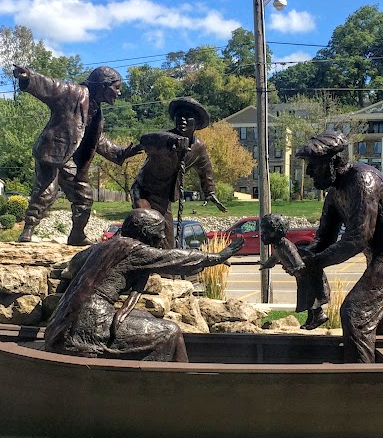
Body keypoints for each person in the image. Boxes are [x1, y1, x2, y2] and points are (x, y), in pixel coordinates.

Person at [45, 209, 244, 362]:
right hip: (87, 329)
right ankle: (164, 386)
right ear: (145, 233)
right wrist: (216, 257)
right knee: (169, 332)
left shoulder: (102, 247)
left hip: (62, 324)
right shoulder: (134, 249)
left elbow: (73, 264)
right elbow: (175, 258)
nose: (163, 238)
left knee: (146, 318)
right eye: (159, 233)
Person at [296, 131, 383, 363]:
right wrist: (304, 256)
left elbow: (356, 239)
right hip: (378, 252)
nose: (309, 172)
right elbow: (323, 238)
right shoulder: (334, 193)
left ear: (333, 162)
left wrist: (317, 261)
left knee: (355, 313)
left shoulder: (363, 179)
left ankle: (362, 384)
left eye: (313, 165)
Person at [14, 64, 141, 246]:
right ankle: (28, 230)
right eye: (117, 88)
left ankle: (77, 235)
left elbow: (98, 140)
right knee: (46, 192)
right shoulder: (74, 93)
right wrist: (29, 77)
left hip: (69, 159)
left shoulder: (96, 112)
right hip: (52, 151)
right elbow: (52, 86)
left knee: (84, 196)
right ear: (104, 85)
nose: (119, 93)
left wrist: (121, 152)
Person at [131, 97, 223, 242]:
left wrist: (209, 192)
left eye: (188, 116)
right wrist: (170, 139)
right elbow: (145, 139)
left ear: (197, 123)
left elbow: (206, 170)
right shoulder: (162, 139)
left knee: (167, 240)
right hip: (144, 190)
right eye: (179, 116)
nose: (182, 119)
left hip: (164, 197)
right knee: (147, 222)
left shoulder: (198, 148)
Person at [258, 213, 329, 329]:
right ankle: (310, 319)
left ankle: (319, 316)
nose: (262, 235)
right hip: (301, 276)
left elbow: (296, 259)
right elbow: (274, 258)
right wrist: (265, 265)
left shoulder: (285, 245)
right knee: (306, 298)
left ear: (276, 232)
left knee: (310, 297)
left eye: (265, 232)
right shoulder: (278, 246)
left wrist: (297, 268)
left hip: (306, 274)